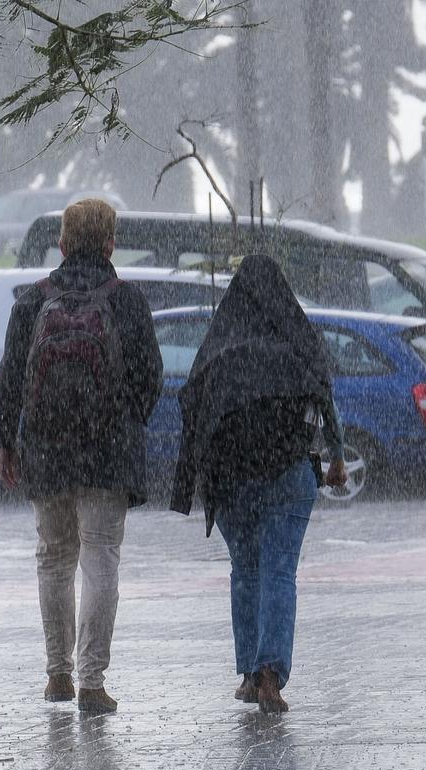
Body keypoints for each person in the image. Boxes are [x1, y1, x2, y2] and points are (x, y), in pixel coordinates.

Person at [0, 198, 161, 714]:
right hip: (107, 452)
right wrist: (121, 421)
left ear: (62, 244)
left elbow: (10, 379)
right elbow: (150, 378)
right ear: (111, 243)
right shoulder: (126, 301)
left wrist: (7, 441)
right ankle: (92, 681)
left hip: (46, 450)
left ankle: (56, 675)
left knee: (53, 559)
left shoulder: (32, 300)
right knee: (100, 558)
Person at [170, 253, 346, 714]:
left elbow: (193, 410)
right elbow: (325, 396)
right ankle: (271, 674)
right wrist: (338, 457)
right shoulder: (297, 341)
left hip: (231, 483)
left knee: (245, 570)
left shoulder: (218, 348)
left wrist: (196, 479)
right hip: (289, 472)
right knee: (279, 570)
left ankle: (249, 673)